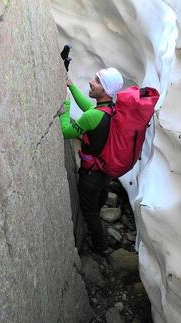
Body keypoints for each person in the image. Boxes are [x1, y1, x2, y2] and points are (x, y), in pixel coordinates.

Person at [58, 67, 124, 256]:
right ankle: (99, 209)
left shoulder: (94, 116)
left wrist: (66, 106)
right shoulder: (110, 109)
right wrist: (71, 86)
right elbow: (89, 108)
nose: (90, 82)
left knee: (89, 212)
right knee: (99, 197)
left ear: (105, 90)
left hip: (91, 174)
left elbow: (65, 132)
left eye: (96, 81)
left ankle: (101, 246)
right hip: (105, 170)